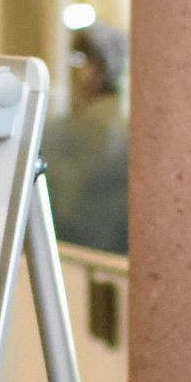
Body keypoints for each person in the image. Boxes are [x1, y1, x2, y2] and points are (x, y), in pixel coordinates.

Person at [45, 20, 129, 254]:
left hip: (71, 266)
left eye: (82, 62)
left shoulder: (57, 136)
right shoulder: (137, 139)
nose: (77, 73)